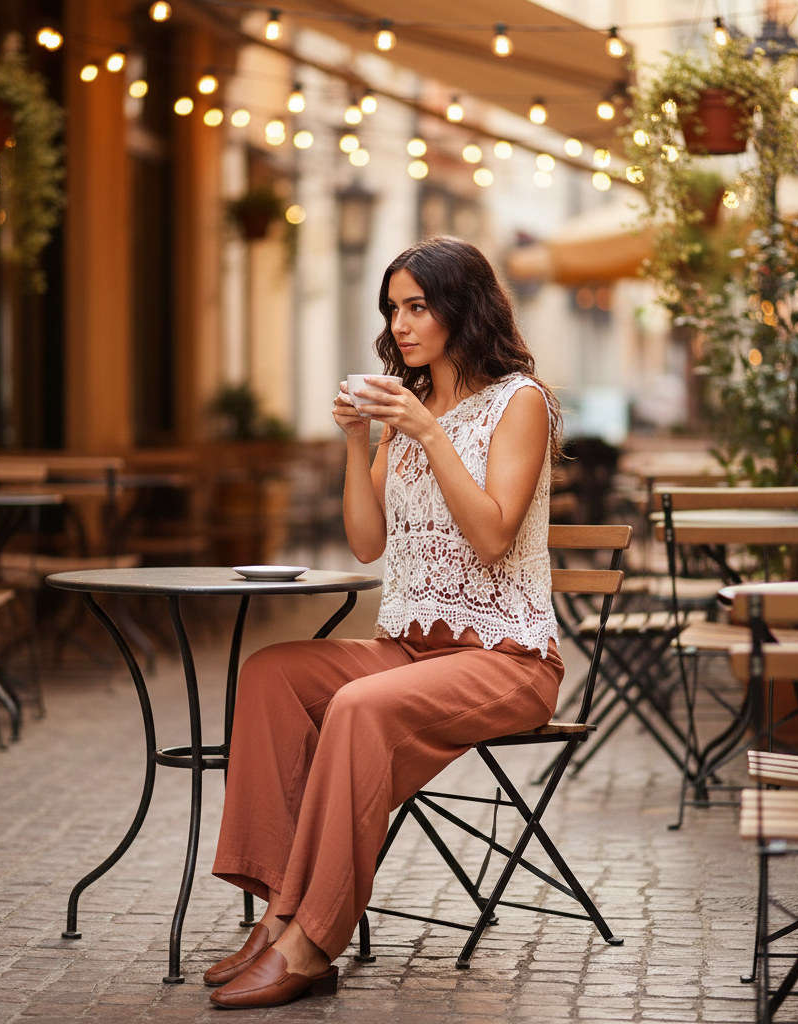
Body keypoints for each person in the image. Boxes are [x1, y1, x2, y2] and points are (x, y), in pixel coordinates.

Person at [205, 235, 564, 1009]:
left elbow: (495, 534)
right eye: (393, 309)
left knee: (358, 708)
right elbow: (369, 542)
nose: (401, 324)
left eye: (418, 306)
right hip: (410, 647)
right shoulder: (410, 409)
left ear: (462, 310)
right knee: (272, 673)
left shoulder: (519, 401)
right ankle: (277, 910)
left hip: (508, 659)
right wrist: (358, 440)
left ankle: (310, 941)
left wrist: (430, 435)